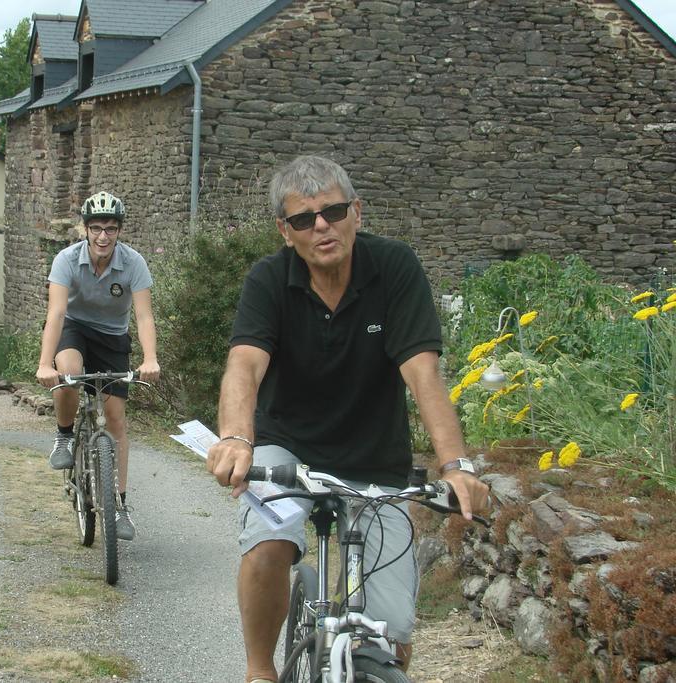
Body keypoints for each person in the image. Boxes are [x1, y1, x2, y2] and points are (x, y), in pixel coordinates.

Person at [205, 155, 490, 683]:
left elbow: (423, 375)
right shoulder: (269, 280)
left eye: (333, 211)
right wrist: (237, 438)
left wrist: (456, 465)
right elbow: (244, 365)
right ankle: (259, 670)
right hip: (283, 451)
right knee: (270, 541)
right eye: (302, 218)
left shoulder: (394, 268)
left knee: (394, 631)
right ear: (285, 232)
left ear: (357, 212)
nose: (321, 226)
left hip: (375, 461)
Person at [36, 190, 160, 541]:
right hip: (73, 327)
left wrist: (150, 359)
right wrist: (46, 364)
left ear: (119, 230)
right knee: (69, 375)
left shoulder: (133, 262)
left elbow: (144, 315)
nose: (103, 236)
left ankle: (119, 505)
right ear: (85, 229)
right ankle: (63, 437)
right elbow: (56, 313)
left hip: (112, 337)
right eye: (96, 228)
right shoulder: (66, 259)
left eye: (110, 228)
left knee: (116, 418)